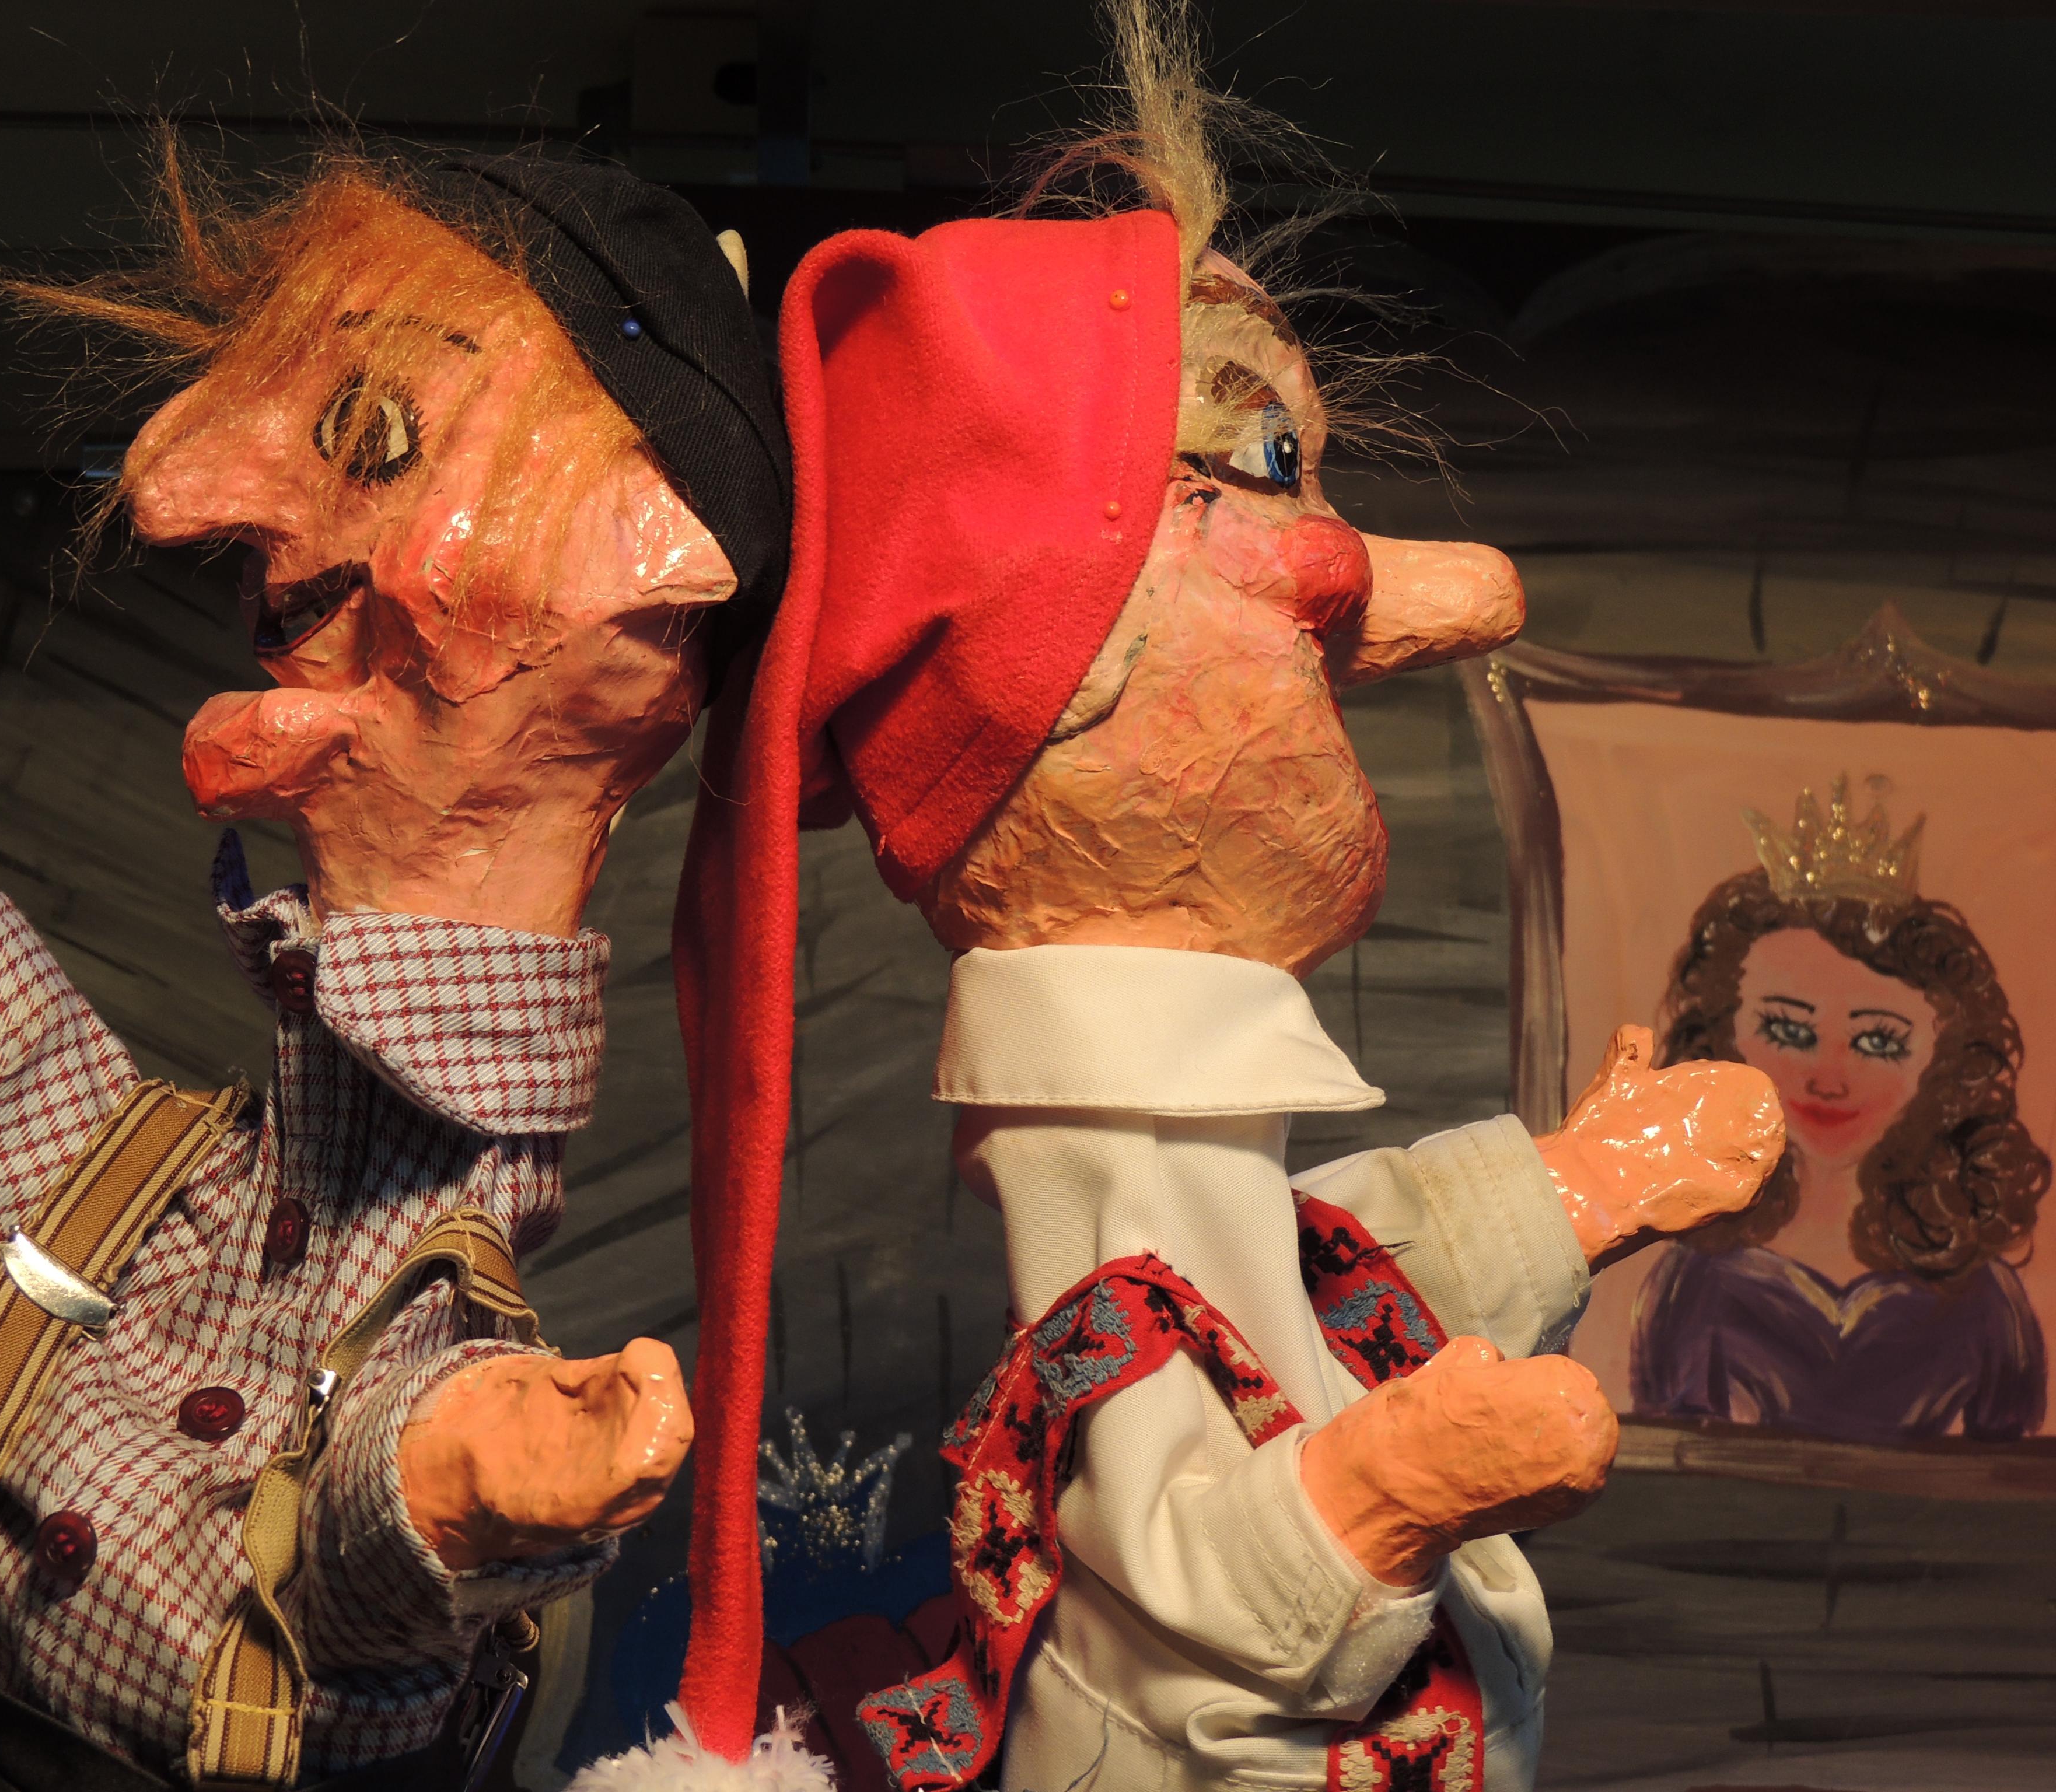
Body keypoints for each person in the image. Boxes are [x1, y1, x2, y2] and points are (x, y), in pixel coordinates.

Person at [584, 5, 1786, 1788]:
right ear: (1051, 660)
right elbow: (1166, 1564)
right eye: (1268, 462)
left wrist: (1568, 1192)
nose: (1361, 574)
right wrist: (1389, 1487)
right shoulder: (1096, 1142)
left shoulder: (1160, 1120)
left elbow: (1285, 1286)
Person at [0, 146, 789, 1790]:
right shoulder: (260, 1172)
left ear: (636, 571)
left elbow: (332, 1490)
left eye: (373, 430)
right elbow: (119, 1288)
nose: (176, 491)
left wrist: (438, 1486)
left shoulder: (425, 1205)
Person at [1635, 775, 2050, 1444]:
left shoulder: (1982, 1301)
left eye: (1877, 1042)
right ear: (1724, 1039)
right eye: (1789, 1031)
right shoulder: (1696, 1284)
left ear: (1944, 1059)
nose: (1828, 1078)